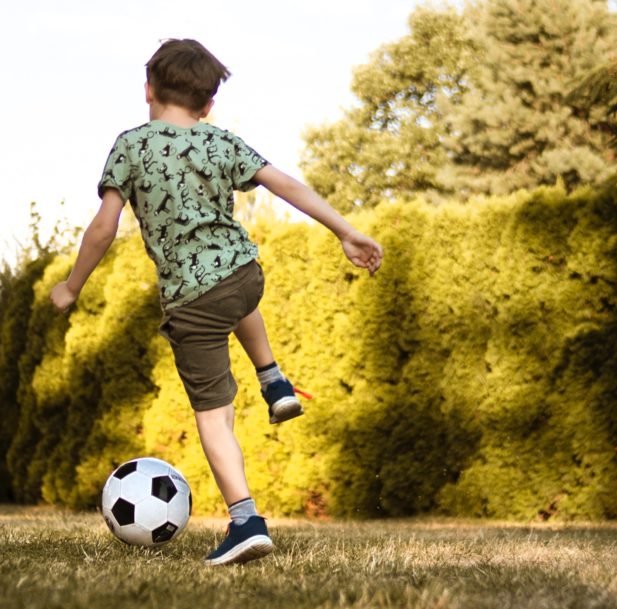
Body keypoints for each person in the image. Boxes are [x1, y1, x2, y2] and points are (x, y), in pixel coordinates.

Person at [50, 38, 383, 566]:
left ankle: (246, 520)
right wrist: (347, 231)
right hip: (246, 275)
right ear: (208, 105)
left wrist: (72, 286)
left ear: (147, 90)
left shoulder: (131, 145)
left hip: (191, 304)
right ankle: (273, 378)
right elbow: (287, 186)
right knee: (234, 290)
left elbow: (102, 227)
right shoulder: (221, 142)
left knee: (214, 418)